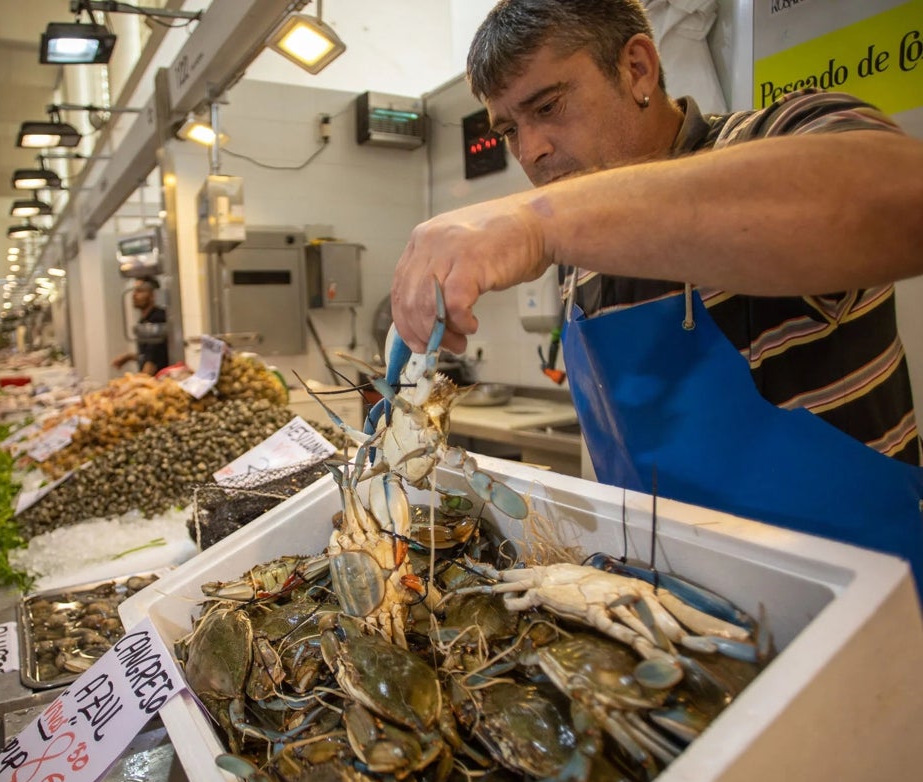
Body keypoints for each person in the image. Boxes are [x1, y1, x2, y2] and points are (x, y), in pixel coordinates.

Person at [391, 2, 923, 569]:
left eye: (548, 107)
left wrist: (539, 222)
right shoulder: (581, 255)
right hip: (669, 605)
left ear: (637, 67)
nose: (530, 151)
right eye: (509, 131)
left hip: (854, 602)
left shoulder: (766, 138)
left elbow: (900, 199)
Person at [111, 277, 169, 375]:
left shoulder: (157, 319)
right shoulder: (144, 320)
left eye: (140, 291)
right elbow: (146, 354)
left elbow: (153, 359)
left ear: (152, 295)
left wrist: (140, 383)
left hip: (159, 378)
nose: (134, 295)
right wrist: (129, 357)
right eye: (134, 291)